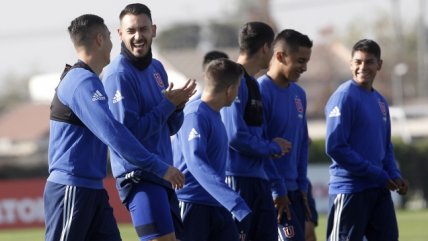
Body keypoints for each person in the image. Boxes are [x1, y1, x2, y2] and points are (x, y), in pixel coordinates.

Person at [44, 14, 184, 241]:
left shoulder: (90, 80)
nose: (113, 42)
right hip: (72, 188)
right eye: (110, 36)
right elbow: (114, 133)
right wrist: (159, 167)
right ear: (100, 39)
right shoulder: (81, 81)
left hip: (93, 190)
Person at [102, 3, 196, 241]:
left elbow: (170, 128)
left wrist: (178, 107)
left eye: (143, 29)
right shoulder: (118, 75)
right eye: (131, 31)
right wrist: (168, 105)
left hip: (164, 175)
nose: (138, 36)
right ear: (120, 34)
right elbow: (129, 135)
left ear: (153, 30)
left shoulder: (157, 68)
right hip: (140, 177)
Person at [324, 39, 409, 241]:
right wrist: (375, 173)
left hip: (378, 191)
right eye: (358, 62)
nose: (363, 67)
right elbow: (335, 147)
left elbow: (385, 146)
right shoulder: (344, 96)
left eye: (369, 62)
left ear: (379, 65)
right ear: (351, 64)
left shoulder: (380, 101)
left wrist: (394, 174)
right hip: (350, 190)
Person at [220, 22, 292, 241]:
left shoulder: (253, 84)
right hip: (237, 181)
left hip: (258, 181)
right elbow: (234, 136)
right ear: (265, 48)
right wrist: (272, 146)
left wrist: (277, 186)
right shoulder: (232, 80)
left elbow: (257, 137)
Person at [173, 58, 251, 241]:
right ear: (230, 89)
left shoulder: (214, 115)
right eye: (238, 87)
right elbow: (195, 161)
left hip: (216, 205)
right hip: (192, 203)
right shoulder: (195, 114)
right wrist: (233, 201)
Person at [258, 29, 313, 241]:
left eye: (307, 61)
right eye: (300, 61)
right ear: (280, 56)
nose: (304, 68)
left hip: (294, 192)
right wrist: (276, 189)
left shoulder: (299, 94)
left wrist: (302, 187)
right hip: (271, 192)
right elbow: (259, 145)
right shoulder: (260, 91)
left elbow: (301, 144)